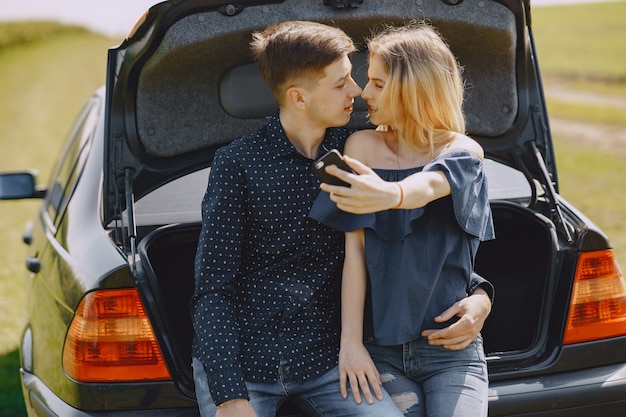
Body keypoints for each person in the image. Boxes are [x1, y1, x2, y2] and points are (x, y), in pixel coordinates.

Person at [190, 20, 492, 417]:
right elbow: (212, 288)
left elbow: (415, 240)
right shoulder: (238, 164)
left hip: (326, 362)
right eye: (341, 83)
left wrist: (480, 294)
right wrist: (230, 396)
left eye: (358, 78)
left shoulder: (357, 151)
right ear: (299, 97)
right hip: (248, 363)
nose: (358, 92)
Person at [309, 22, 495, 417]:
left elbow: (430, 184)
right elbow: (355, 258)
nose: (364, 93)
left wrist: (391, 194)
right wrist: (351, 343)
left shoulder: (463, 150)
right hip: (380, 352)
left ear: (411, 88)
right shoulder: (362, 146)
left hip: (452, 351)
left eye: (378, 83)